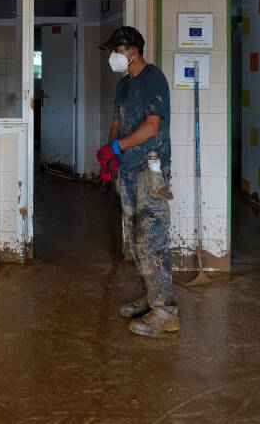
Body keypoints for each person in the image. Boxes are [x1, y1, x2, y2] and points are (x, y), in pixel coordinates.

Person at [97, 26, 179, 336]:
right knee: (134, 237)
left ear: (132, 50)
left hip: (149, 169)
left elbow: (152, 127)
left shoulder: (153, 79)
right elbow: (117, 122)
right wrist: (110, 154)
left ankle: (166, 311)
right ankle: (150, 297)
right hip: (127, 170)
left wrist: (118, 147)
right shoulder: (123, 86)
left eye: (115, 51)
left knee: (152, 236)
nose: (113, 58)